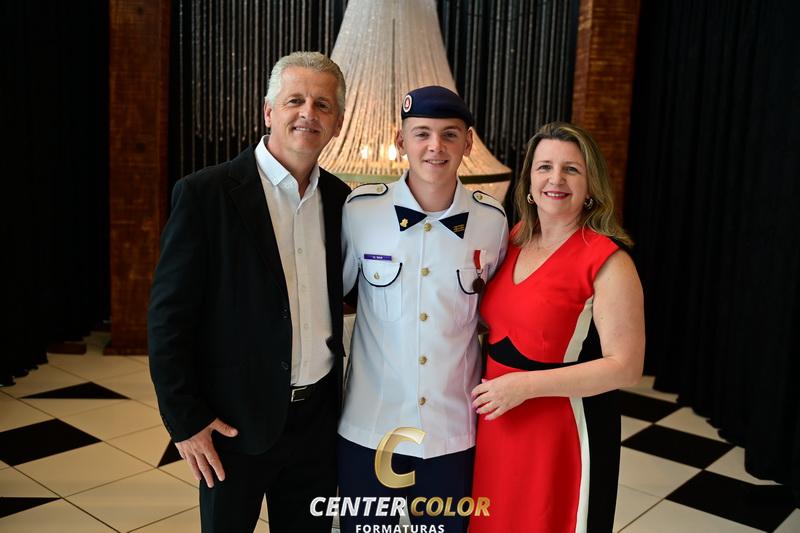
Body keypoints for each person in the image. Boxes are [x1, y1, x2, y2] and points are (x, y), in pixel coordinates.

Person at [147, 51, 351, 533]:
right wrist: (185, 420)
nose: (308, 113)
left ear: (338, 123)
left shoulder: (342, 200)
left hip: (318, 422)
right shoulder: (205, 194)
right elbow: (168, 320)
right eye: (295, 100)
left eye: (322, 105)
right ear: (268, 112)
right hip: (231, 423)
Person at [337, 85, 508, 533]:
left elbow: (497, 315)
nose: (436, 146)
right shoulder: (360, 212)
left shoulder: (492, 222)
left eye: (450, 134)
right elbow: (334, 298)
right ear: (401, 141)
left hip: (452, 432)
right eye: (422, 133)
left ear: (468, 143)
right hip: (370, 427)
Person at [470, 122, 645, 533]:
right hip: (498, 423)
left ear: (591, 184)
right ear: (530, 180)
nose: (556, 179)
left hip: (563, 429)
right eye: (545, 167)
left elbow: (626, 367)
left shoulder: (609, 260)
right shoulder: (514, 238)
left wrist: (523, 387)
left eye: (571, 169)